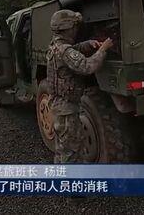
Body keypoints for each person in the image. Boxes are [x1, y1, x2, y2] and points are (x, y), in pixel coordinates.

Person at [47, 9, 113, 164]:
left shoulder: (55, 46)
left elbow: (73, 51)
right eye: (75, 27)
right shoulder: (65, 51)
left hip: (60, 106)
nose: (76, 30)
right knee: (69, 152)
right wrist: (103, 50)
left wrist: (88, 45)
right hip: (67, 110)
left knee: (65, 148)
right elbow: (87, 66)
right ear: (68, 28)